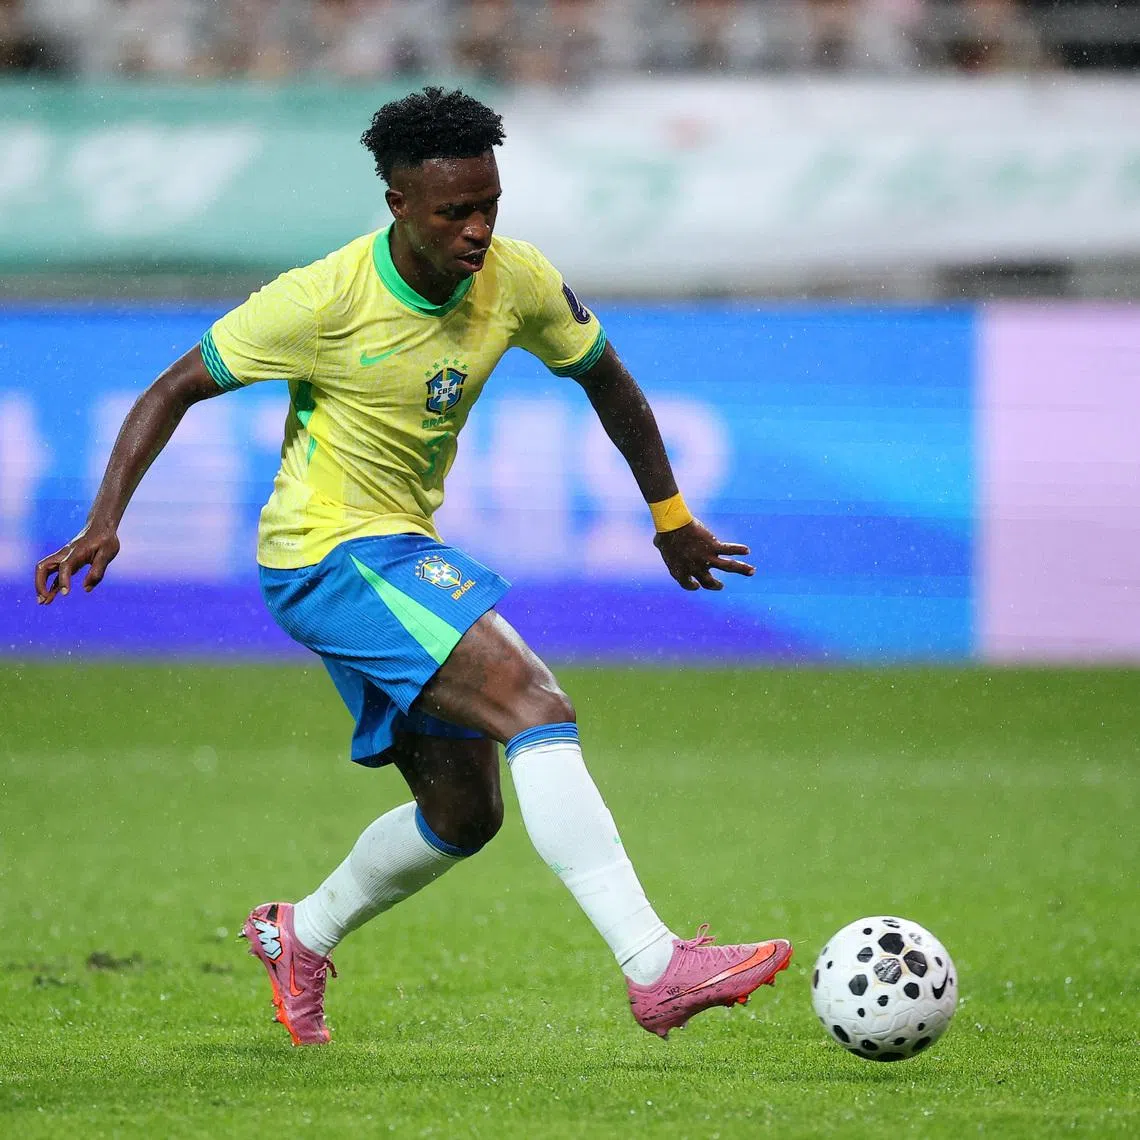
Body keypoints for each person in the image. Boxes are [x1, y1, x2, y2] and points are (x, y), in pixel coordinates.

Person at [34, 86, 792, 1047]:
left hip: (399, 547)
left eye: (491, 205)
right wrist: (106, 521)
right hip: (326, 553)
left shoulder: (515, 279)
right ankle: (654, 965)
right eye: (454, 212)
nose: (478, 229)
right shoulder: (322, 299)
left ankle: (299, 933)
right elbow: (174, 386)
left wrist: (671, 514)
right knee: (536, 703)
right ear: (398, 203)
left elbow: (605, 373)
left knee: (463, 813)